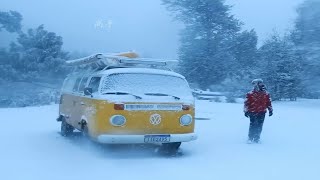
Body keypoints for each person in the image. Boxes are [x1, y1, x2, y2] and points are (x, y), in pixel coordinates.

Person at [244, 79, 273, 143]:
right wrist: (246, 111)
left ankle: (257, 138)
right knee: (253, 125)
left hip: (262, 111)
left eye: (261, 83)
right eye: (259, 83)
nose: (261, 84)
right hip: (252, 111)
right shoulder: (250, 94)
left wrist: (270, 110)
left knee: (260, 125)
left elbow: (268, 102)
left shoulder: (266, 93)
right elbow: (246, 103)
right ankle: (250, 138)